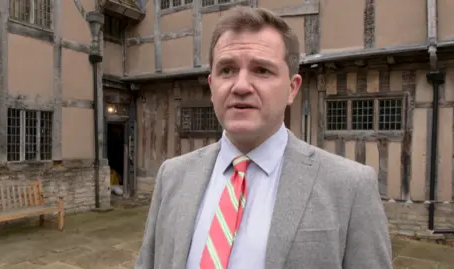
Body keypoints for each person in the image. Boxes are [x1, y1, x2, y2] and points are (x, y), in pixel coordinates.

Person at [135, 6, 392, 269]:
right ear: (212, 87)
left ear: (292, 89)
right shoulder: (172, 176)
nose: (241, 86)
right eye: (227, 70)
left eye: (262, 70)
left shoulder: (350, 187)